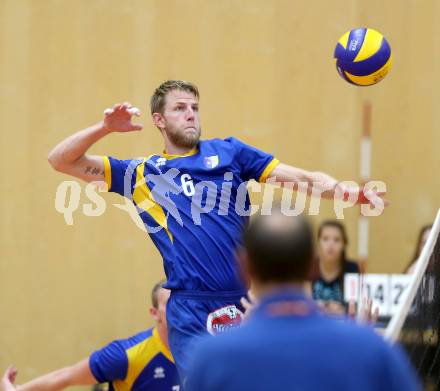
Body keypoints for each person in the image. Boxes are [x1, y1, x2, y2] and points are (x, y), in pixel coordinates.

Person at [48, 80, 383, 378]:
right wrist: (104, 128)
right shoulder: (141, 174)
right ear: (159, 120)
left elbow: (302, 178)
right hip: (190, 310)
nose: (191, 114)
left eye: (195, 107)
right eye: (180, 108)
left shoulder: (230, 153)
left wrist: (348, 192)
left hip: (245, 303)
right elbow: (61, 160)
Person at [186, 209, 420, 391]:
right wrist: (360, 336)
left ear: (244, 267)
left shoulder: (211, 357)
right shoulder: (373, 349)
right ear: (312, 265)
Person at [0, 281, 179, 391]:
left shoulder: (202, 351)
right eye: (169, 304)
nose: (177, 310)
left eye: (181, 304)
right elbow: (67, 376)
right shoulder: (127, 355)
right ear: (154, 313)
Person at [311, 220, 360, 315]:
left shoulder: (352, 269)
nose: (330, 244)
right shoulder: (309, 267)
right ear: (318, 243)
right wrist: (325, 307)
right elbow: (304, 304)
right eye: (325, 239)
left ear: (344, 244)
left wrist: (343, 310)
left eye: (336, 240)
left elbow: (354, 307)